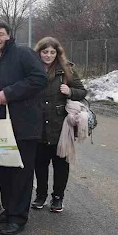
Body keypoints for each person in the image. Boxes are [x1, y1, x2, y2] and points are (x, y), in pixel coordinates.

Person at [0, 19, 47, 235]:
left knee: (20, 172)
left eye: (0, 34)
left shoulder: (23, 54)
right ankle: (9, 210)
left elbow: (39, 79)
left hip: (22, 126)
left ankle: (18, 218)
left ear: (9, 35)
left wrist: (10, 92)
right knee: (2, 169)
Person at [32, 37, 86, 213]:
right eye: (45, 52)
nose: (48, 55)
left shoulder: (66, 70)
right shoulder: (32, 69)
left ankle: (57, 198)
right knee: (39, 165)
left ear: (57, 53)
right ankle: (40, 196)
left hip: (60, 126)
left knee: (61, 165)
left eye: (52, 52)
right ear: (39, 52)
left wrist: (70, 91)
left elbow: (82, 91)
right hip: (38, 125)